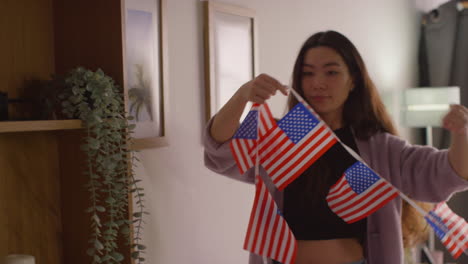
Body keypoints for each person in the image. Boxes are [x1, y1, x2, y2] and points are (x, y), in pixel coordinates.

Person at [203, 30, 468, 264]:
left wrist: (462, 133)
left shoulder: (380, 148)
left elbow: (447, 174)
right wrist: (242, 95)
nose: (318, 82)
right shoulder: (283, 136)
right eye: (308, 73)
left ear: (353, 79)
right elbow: (220, 150)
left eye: (331, 72)